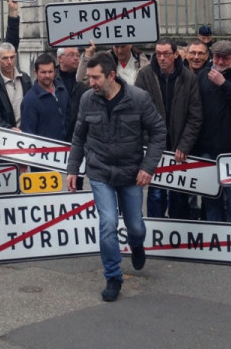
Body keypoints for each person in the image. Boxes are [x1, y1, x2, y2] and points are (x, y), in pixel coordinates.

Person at [67, 52, 165, 303]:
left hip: (131, 173)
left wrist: (148, 167)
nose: (91, 82)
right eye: (89, 77)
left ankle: (137, 244)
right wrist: (72, 170)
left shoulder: (139, 99)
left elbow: (158, 132)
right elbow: (78, 137)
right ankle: (113, 276)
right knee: (108, 223)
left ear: (112, 75)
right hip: (100, 172)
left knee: (135, 225)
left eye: (96, 77)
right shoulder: (88, 99)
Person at [134, 38, 202, 219]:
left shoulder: (188, 78)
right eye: (158, 54)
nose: (162, 58)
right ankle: (156, 233)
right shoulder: (145, 75)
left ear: (175, 55)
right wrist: (147, 143)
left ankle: (178, 233)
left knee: (179, 195)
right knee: (156, 194)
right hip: (153, 147)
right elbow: (137, 112)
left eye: (166, 54)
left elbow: (195, 116)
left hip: (179, 147)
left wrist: (184, 146)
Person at [193, 40, 231, 223]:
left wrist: (224, 84)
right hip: (207, 147)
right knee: (211, 196)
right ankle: (216, 237)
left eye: (225, 58)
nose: (220, 62)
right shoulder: (202, 75)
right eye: (217, 57)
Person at [20, 53, 71, 141]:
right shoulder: (30, 100)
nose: (47, 75)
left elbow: (68, 118)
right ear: (35, 72)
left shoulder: (62, 90)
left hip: (64, 149)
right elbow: (28, 133)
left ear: (55, 72)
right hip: (42, 152)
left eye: (50, 72)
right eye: (43, 72)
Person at [0, 42, 30, 130]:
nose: (9, 62)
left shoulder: (25, 78)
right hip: (7, 135)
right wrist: (10, 129)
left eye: (12, 57)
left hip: (28, 132)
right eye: (5, 58)